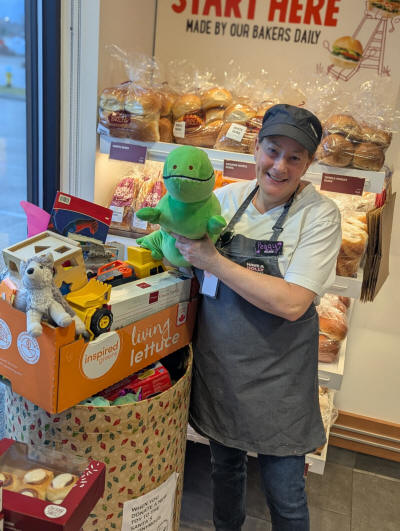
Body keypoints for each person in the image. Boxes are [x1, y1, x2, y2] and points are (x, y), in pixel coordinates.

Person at [173, 104, 342, 531]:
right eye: (272, 151)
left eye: (294, 157)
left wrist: (214, 260)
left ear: (308, 163)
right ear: (255, 148)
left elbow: (292, 303)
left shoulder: (319, 215)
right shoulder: (226, 200)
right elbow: (187, 261)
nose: (280, 166)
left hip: (279, 382)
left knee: (285, 494)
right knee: (225, 473)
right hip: (222, 370)